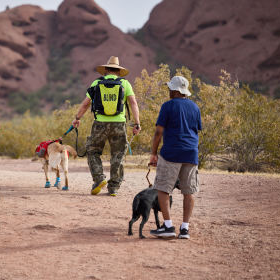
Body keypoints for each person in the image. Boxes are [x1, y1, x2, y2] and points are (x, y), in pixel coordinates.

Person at [72, 56, 141, 196]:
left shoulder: (96, 83)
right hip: (119, 124)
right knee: (118, 154)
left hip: (100, 124)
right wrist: (137, 123)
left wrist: (77, 118)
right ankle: (113, 187)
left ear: (106, 70)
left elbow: (86, 103)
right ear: (118, 71)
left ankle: (99, 179)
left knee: (92, 151)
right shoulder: (125, 83)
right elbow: (133, 103)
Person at [148, 76, 202, 239]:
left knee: (163, 188)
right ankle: (184, 229)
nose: (169, 91)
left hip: (171, 152)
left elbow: (159, 132)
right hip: (191, 153)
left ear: (175, 90)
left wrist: (153, 153)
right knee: (188, 191)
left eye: (170, 88)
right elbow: (196, 130)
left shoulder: (168, 106)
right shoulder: (195, 107)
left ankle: (168, 226)